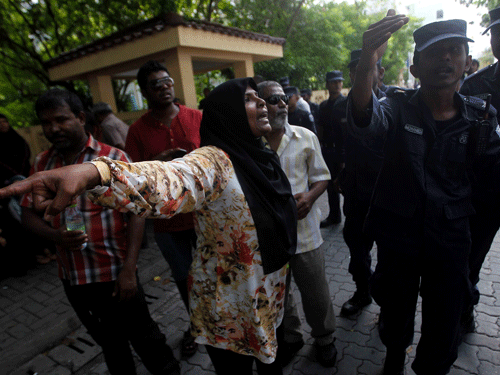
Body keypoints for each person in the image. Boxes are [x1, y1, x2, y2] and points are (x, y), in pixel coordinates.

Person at [2, 78, 297, 375]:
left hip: (269, 293)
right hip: (229, 306)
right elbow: (168, 179)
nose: (261, 102)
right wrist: (97, 172)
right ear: (227, 113)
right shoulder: (216, 161)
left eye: (259, 97)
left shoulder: (264, 158)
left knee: (273, 366)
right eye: (248, 99)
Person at [349, 12, 500, 375]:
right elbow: (366, 118)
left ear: (466, 61)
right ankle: (395, 355)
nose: (446, 59)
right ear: (416, 69)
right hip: (399, 235)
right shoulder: (397, 107)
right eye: (435, 53)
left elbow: (489, 180)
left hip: (451, 239)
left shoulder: (481, 117)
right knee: (395, 307)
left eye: (454, 51)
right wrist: (368, 59)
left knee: (445, 316)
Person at [19, 89, 179, 375]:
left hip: (117, 274)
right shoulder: (42, 164)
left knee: (148, 341)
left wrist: (130, 268)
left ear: (80, 118)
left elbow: (136, 212)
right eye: (46, 123)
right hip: (75, 279)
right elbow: (27, 216)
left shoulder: (112, 157)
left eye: (61, 119)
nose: (53, 128)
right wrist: (56, 238)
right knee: (111, 346)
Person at [125, 60, 202, 357]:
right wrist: (161, 159)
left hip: (203, 213)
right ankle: (196, 325)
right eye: (156, 85)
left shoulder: (196, 117)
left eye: (167, 81)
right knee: (184, 276)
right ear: (145, 92)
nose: (164, 88)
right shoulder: (137, 130)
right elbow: (133, 177)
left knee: (217, 269)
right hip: (167, 221)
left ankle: (222, 318)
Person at [257, 81, 336, 368]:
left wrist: (311, 197)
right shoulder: (252, 145)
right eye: (272, 99)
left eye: (283, 98)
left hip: (305, 235)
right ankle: (292, 336)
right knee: (280, 294)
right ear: (260, 107)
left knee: (316, 293)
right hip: (270, 239)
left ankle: (325, 338)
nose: (281, 104)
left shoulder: (305, 137)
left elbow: (322, 177)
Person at [337, 49, 387, 316]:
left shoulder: (396, 104)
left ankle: (387, 306)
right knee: (357, 252)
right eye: (357, 71)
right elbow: (337, 146)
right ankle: (362, 292)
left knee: (390, 257)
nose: (363, 75)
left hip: (388, 195)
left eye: (370, 68)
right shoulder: (339, 106)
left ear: (379, 72)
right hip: (355, 193)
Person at [459, 5, 500, 334]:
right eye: (497, 33)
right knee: (472, 256)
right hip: (486, 191)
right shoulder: (475, 85)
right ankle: (464, 307)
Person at [0, 113, 38, 276]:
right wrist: (13, 178)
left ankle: (44, 249)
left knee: (35, 211)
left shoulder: (18, 140)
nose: (3, 125)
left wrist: (21, 176)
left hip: (26, 179)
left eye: (4, 121)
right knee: (18, 218)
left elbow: (25, 155)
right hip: (8, 185)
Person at [317, 71, 345, 227]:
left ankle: (352, 219)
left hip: (344, 151)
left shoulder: (347, 103)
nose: (337, 84)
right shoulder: (324, 106)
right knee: (330, 187)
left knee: (346, 185)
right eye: (333, 82)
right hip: (328, 151)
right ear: (327, 84)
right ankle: (334, 216)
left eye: (339, 81)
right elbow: (320, 129)